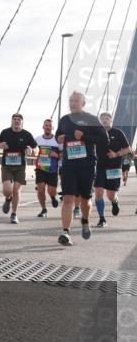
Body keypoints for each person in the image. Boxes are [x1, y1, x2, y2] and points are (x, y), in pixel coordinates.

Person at [55, 91, 109, 246]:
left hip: (87, 165)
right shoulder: (64, 119)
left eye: (76, 101)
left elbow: (104, 140)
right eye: (71, 101)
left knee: (85, 199)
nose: (72, 103)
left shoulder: (91, 119)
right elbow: (58, 134)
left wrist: (84, 137)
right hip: (69, 164)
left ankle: (85, 221)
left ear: (83, 103)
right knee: (68, 199)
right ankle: (66, 232)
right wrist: (58, 138)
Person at [0, 113, 36, 224]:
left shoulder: (27, 134)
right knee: (7, 190)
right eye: (15, 119)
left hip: (20, 166)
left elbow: (34, 147)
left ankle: (14, 214)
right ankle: (8, 198)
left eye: (19, 119)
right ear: (12, 121)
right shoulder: (5, 132)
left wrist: (30, 150)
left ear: (22, 122)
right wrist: (0, 145)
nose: (17, 121)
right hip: (7, 165)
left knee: (16, 191)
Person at [93, 112, 131, 228]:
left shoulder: (118, 133)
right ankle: (102, 218)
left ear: (111, 121)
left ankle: (115, 202)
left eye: (107, 119)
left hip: (114, 168)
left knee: (110, 195)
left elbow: (127, 149)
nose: (104, 120)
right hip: (99, 167)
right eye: (102, 119)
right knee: (98, 192)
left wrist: (116, 154)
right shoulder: (96, 133)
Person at [33, 118, 60, 218]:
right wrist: (31, 150)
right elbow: (32, 149)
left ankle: (53, 197)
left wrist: (56, 155)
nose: (48, 127)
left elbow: (63, 154)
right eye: (46, 125)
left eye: (50, 126)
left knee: (51, 191)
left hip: (52, 170)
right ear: (43, 127)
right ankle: (43, 209)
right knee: (41, 189)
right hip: (41, 168)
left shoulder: (57, 140)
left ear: (52, 128)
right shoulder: (38, 139)